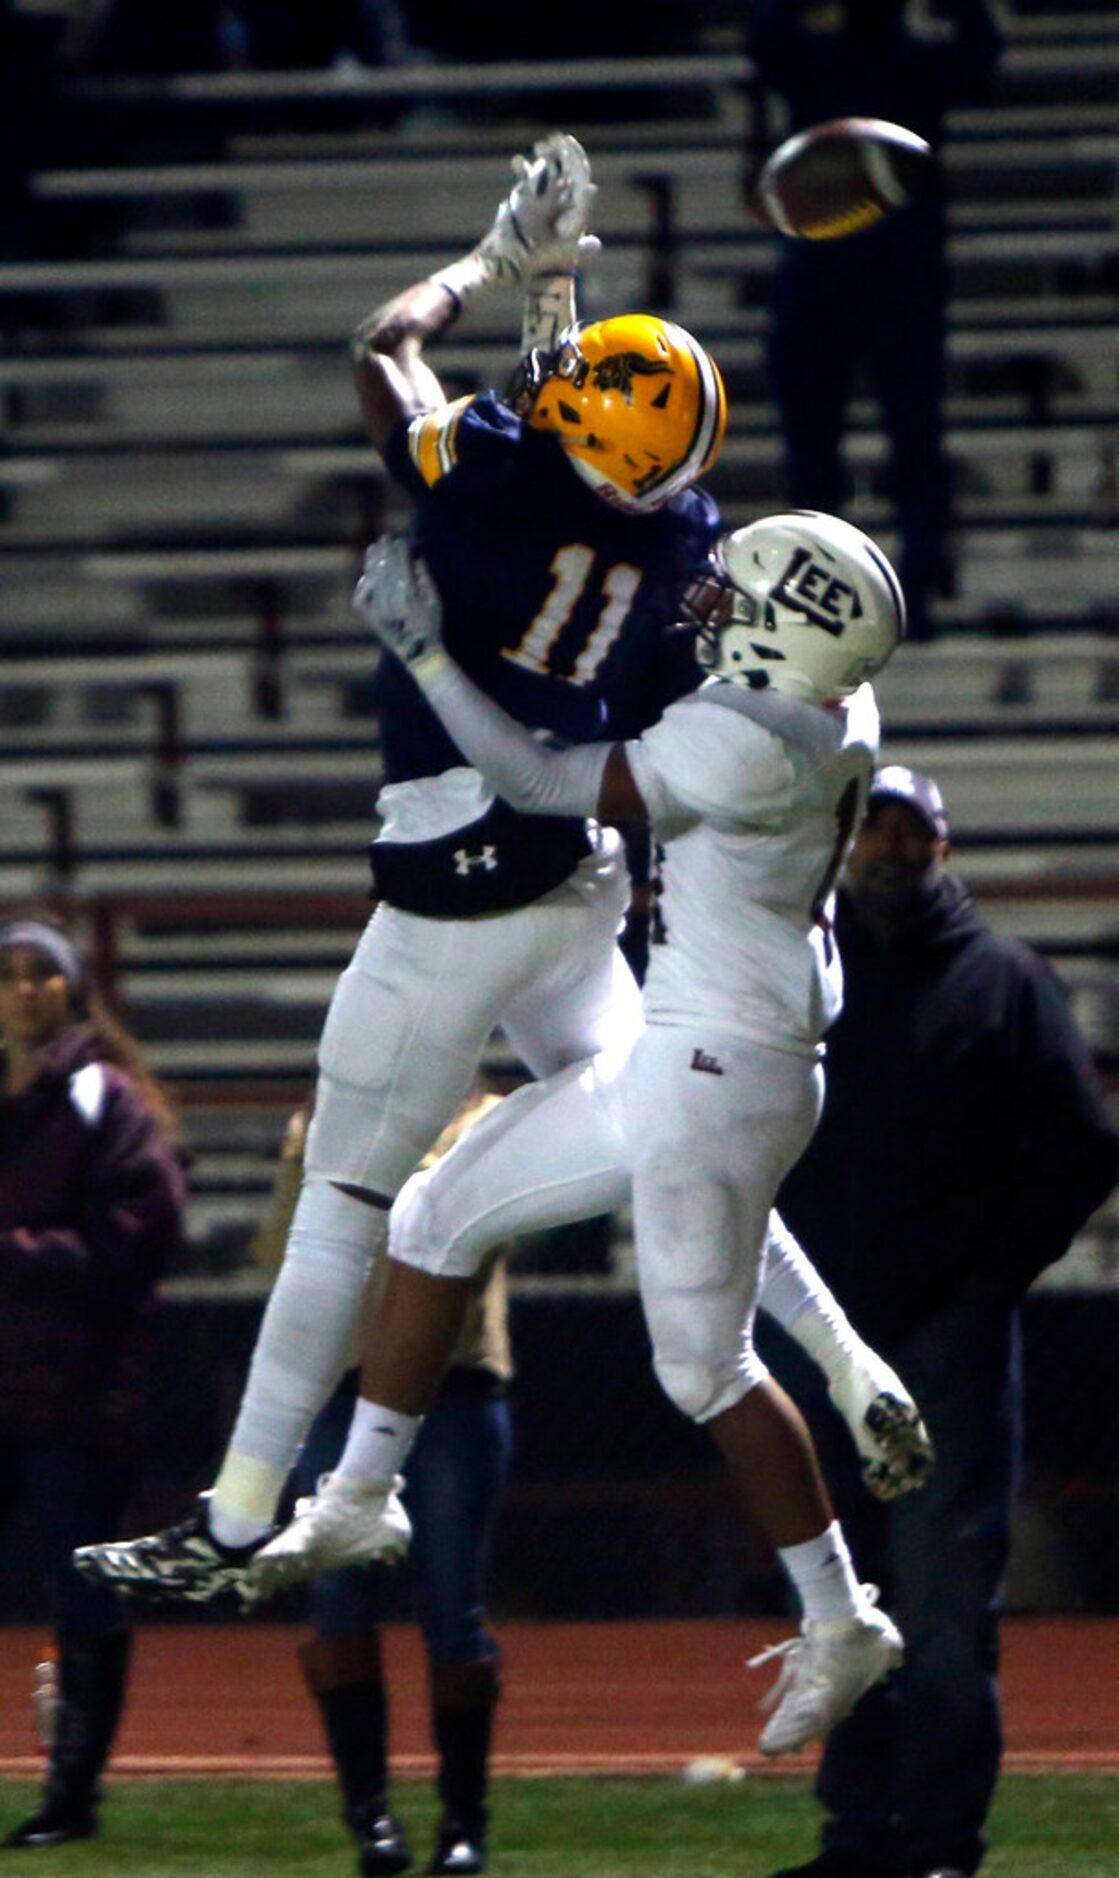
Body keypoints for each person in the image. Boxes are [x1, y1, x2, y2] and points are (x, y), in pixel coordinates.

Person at [73, 133, 730, 1604]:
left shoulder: (494, 480)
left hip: (454, 868)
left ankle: (241, 1513)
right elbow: (575, 440)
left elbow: (383, 349)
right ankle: (828, 1364)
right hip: (580, 866)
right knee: (677, 1118)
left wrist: (490, 270)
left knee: (346, 1198)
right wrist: (554, 295)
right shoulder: (686, 522)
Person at [250, 506, 925, 1760]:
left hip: (714, 1066)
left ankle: (844, 1620)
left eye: (739, 597)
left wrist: (431, 657)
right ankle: (358, 1495)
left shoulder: (742, 741)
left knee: (702, 1371)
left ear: (790, 638)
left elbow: (545, 779)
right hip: (716, 1056)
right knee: (435, 1212)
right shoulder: (840, 713)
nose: (712, 604)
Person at [762, 764, 1119, 1878]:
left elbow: (1083, 1148)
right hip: (825, 1338)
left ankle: (941, 1846)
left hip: (942, 1345)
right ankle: (859, 1836)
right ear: (843, 841)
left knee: (947, 1602)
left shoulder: (1005, 980)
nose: (889, 850)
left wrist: (985, 1285)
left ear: (944, 850)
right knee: (847, 1608)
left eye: (910, 833)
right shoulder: (804, 971)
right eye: (873, 830)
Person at [256, 1093, 512, 1878]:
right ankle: (369, 1815)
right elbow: (278, 1256)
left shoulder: (496, 1118)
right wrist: (306, 1158)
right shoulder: (327, 1117)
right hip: (343, 1390)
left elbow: (466, 1246)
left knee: (449, 1605)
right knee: (338, 1601)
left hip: (452, 1391)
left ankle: (462, 1823)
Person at [0, 917, 186, 1850]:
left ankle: (72, 1795)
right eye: (11, 976)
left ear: (73, 991)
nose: (27, 991)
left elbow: (142, 1231)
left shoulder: (100, 1096)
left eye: (44, 975)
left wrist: (18, 1257)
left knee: (82, 1593)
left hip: (75, 1390)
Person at [746, 0, 1004, 641]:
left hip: (899, 278)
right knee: (816, 448)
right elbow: (765, 42)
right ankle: (820, 592)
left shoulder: (913, 62)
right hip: (825, 274)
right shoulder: (813, 56)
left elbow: (979, 58)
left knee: (912, 438)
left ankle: (916, 586)